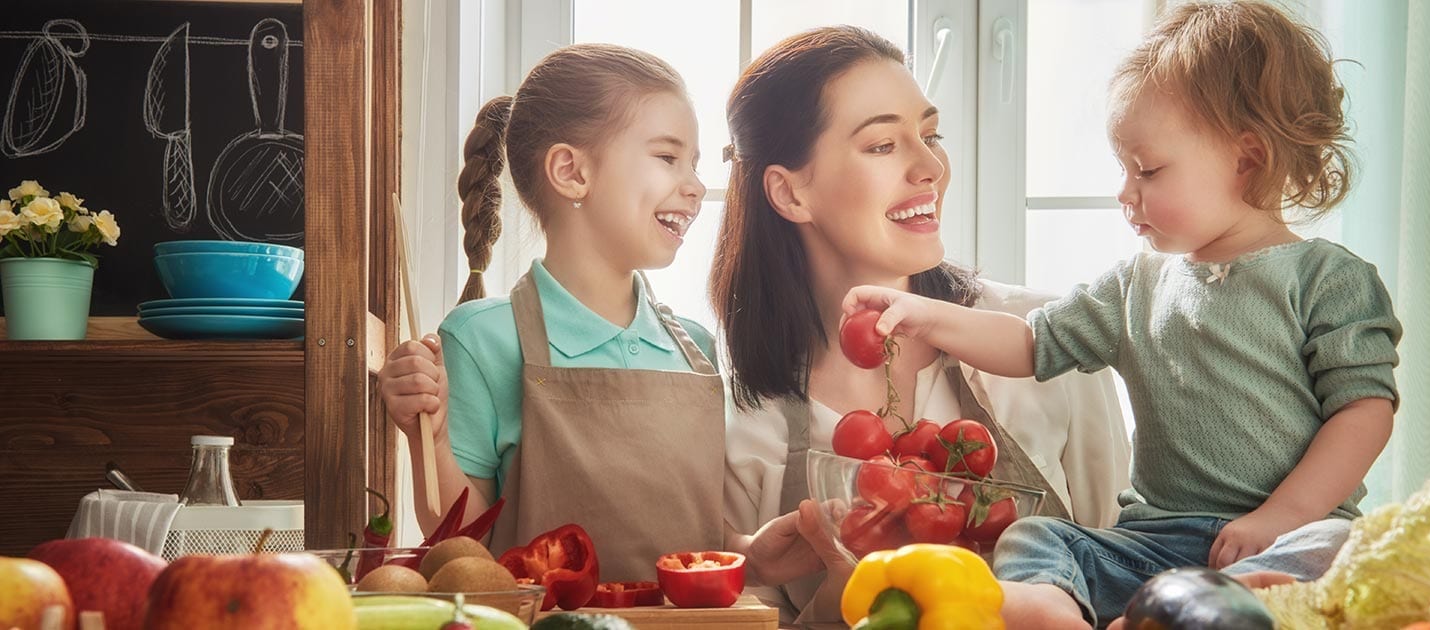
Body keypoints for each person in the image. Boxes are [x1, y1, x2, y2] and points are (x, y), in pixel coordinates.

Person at [843, 2, 1402, 627]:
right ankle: (1067, 610)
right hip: (1157, 547)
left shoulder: (1328, 279)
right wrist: (926, 315)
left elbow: (1364, 412)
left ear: (1247, 159)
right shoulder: (1135, 285)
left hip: (1290, 535)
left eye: (1149, 170)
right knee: (1037, 539)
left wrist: (1281, 517)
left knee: (1344, 547)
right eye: (1123, 169)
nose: (1125, 192)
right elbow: (1031, 345)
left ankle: (1205, 607)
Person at [711, 25, 1133, 624]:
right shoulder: (743, 423)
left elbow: (1128, 563)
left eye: (931, 135)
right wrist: (841, 603)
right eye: (883, 145)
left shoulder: (1046, 340)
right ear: (790, 192)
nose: (931, 165)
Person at [377, 44, 724, 582]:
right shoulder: (480, 338)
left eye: (696, 164)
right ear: (571, 171)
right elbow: (466, 542)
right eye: (667, 157)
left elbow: (715, 538)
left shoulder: (696, 347)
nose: (696, 185)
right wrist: (431, 436)